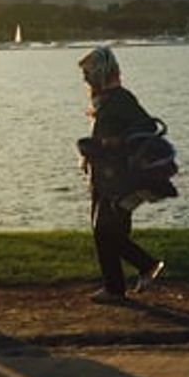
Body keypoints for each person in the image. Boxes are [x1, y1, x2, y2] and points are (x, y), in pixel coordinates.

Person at [76, 46, 165, 304]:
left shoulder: (120, 100)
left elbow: (145, 128)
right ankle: (121, 282)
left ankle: (133, 274)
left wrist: (115, 144)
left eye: (88, 73)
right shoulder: (108, 101)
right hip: (105, 176)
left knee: (105, 230)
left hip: (116, 179)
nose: (85, 79)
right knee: (109, 231)